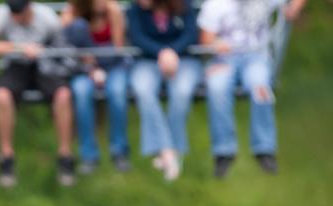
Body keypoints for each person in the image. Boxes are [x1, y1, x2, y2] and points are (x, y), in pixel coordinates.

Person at [0, 0, 77, 188]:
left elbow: (63, 42)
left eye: (19, 11)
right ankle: (6, 156)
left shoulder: (45, 17)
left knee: (63, 94)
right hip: (16, 65)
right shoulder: (2, 14)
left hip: (44, 64)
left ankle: (65, 155)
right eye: (13, 11)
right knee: (2, 95)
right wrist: (18, 48)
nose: (15, 16)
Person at [200, 0, 306, 177]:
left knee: (261, 88)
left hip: (256, 58)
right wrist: (215, 44)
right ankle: (223, 152)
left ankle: (264, 149)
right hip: (224, 59)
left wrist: (294, 8)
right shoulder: (215, 5)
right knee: (217, 88)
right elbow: (205, 39)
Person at [127, 0, 201, 181]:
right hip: (147, 60)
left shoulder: (183, 5)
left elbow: (191, 34)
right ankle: (168, 150)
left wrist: (172, 53)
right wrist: (162, 53)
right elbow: (136, 36)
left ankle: (170, 152)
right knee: (143, 90)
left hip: (183, 60)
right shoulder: (136, 8)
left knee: (182, 91)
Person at [62, 0, 132, 173]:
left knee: (117, 92)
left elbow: (118, 49)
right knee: (81, 91)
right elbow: (67, 46)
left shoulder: (113, 11)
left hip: (113, 65)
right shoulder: (74, 16)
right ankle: (89, 155)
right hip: (85, 69)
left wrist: (100, 68)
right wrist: (90, 69)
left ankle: (119, 151)